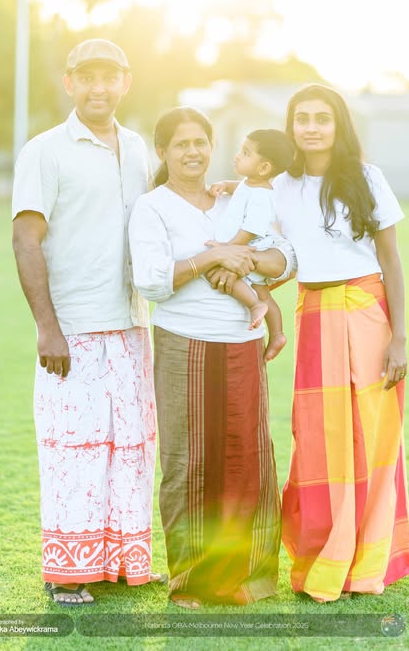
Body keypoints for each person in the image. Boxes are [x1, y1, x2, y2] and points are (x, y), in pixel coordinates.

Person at [12, 39, 162, 606]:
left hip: (131, 325)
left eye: (110, 77)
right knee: (72, 451)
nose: (99, 87)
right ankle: (66, 574)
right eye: (87, 77)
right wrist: (46, 328)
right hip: (72, 328)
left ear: (126, 82)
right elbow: (26, 240)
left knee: (129, 447)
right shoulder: (45, 151)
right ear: (70, 83)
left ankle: (119, 563)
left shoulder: (139, 148)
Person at [128, 107, 296, 608]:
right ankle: (192, 582)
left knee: (247, 457)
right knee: (190, 462)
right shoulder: (152, 207)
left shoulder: (235, 196)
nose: (193, 152)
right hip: (184, 342)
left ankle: (247, 575)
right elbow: (152, 279)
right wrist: (213, 258)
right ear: (163, 152)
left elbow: (286, 256)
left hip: (242, 345)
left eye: (201, 141)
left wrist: (242, 259)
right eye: (181, 144)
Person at [273, 84, 409, 603]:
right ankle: (325, 555)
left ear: (339, 125)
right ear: (290, 126)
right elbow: (264, 240)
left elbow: (391, 261)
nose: (311, 127)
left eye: (322, 118)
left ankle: (367, 562)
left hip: (367, 313)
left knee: (372, 441)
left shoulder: (366, 178)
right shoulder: (280, 187)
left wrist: (399, 338)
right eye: (301, 118)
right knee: (319, 441)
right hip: (315, 318)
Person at [209, 129, 294, 361]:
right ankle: (277, 334)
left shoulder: (262, 197)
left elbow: (249, 231)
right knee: (265, 294)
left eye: (245, 153)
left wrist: (227, 251)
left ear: (264, 168)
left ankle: (255, 306)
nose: (237, 155)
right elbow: (242, 188)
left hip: (252, 246)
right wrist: (227, 184)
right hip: (244, 247)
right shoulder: (251, 184)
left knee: (234, 279)